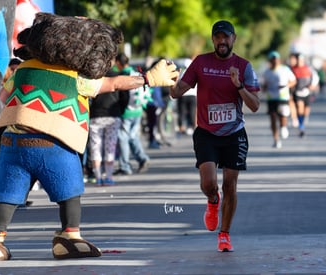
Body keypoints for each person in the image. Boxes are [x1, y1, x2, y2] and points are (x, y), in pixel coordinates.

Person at [0, 13, 179, 261]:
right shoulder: (77, 78)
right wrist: (147, 78)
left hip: (14, 144)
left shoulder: (23, 69)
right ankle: (69, 237)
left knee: (6, 193)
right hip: (56, 144)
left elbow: (5, 98)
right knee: (69, 190)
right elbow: (113, 84)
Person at [170, 20, 260, 252]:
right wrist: (172, 83)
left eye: (226, 37)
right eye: (218, 37)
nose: (222, 41)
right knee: (209, 183)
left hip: (234, 134)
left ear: (234, 39)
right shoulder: (201, 62)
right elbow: (178, 93)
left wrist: (239, 86)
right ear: (213, 40)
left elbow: (255, 105)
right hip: (207, 133)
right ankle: (212, 201)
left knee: (230, 185)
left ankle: (225, 234)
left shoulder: (244, 66)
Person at [114, 53, 151, 175]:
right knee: (133, 135)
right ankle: (142, 158)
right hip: (138, 110)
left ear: (118, 63)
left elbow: (123, 96)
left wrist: (120, 109)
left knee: (123, 137)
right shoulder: (136, 73)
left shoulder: (123, 75)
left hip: (127, 112)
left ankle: (125, 166)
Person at [87, 68, 125, 186]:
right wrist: (120, 111)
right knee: (110, 146)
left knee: (95, 146)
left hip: (96, 115)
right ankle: (108, 177)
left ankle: (98, 177)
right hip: (113, 115)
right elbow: (124, 97)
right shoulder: (117, 76)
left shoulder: (93, 75)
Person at [262, 51, 297, 148]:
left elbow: (293, 81)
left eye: (276, 59)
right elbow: (264, 85)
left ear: (279, 60)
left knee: (282, 116)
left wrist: (287, 86)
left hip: (283, 97)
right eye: (273, 59)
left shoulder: (285, 69)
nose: (275, 61)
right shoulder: (267, 72)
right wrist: (264, 88)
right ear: (270, 61)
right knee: (273, 119)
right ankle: (276, 139)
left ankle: (283, 126)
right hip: (271, 98)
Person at [289, 53, 319, 137]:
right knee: (300, 109)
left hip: (307, 92)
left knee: (306, 112)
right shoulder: (292, 69)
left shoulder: (308, 68)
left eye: (301, 60)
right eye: (298, 59)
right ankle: (301, 127)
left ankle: (303, 121)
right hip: (297, 92)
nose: (299, 61)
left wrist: (312, 85)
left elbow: (315, 77)